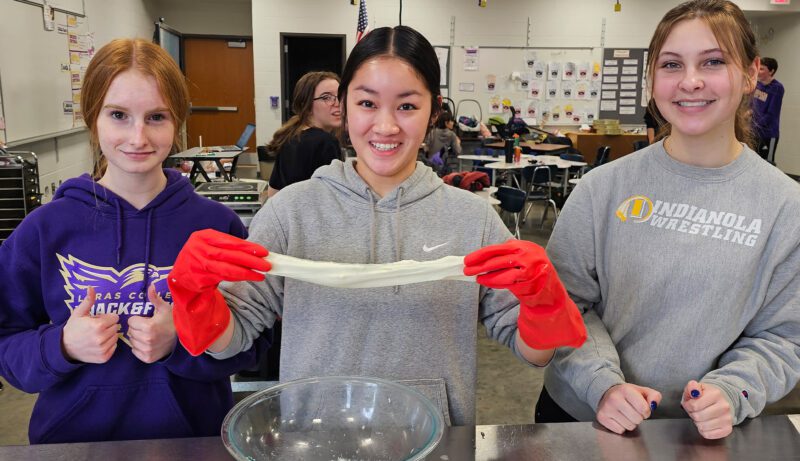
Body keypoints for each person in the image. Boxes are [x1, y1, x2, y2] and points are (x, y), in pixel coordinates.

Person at [167, 25, 587, 426]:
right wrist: (195, 296)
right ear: (344, 104)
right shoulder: (291, 212)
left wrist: (543, 302)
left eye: (407, 105)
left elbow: (534, 353)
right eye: (367, 103)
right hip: (314, 437)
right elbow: (231, 339)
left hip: (434, 439)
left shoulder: (471, 218)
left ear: (433, 112)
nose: (385, 126)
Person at [541, 0, 800, 440]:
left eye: (713, 61)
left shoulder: (786, 207)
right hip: (582, 418)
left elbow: (784, 336)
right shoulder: (602, 188)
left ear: (750, 74)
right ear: (652, 81)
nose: (691, 81)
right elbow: (564, 305)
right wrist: (603, 384)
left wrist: (733, 390)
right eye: (672, 64)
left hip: (704, 434)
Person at [0, 38, 262, 444]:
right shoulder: (43, 230)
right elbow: (7, 344)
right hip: (74, 445)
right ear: (93, 117)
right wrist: (62, 344)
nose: (138, 136)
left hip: (193, 441)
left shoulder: (217, 227)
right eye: (119, 115)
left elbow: (253, 346)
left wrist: (184, 337)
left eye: (156, 117)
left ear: (178, 122)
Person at [266, 71, 342, 198]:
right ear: (305, 105)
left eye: (340, 95)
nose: (338, 103)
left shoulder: (290, 136)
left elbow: (273, 192)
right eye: (326, 97)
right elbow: (333, 200)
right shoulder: (325, 142)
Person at [752, 57, 784, 164]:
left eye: (762, 69)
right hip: (754, 133)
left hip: (768, 135)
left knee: (767, 164)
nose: (758, 71)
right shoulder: (757, 85)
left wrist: (755, 124)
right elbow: (752, 105)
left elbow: (771, 114)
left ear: (771, 71)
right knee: (753, 163)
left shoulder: (777, 88)